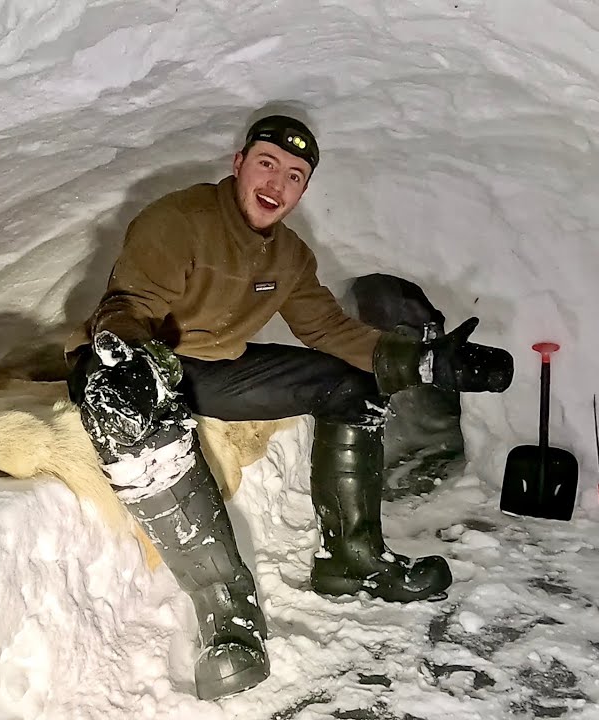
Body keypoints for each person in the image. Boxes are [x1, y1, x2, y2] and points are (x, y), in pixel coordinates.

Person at [64, 113, 514, 701]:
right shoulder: (177, 220)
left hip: (212, 370)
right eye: (267, 165)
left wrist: (426, 361)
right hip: (135, 362)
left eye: (295, 176)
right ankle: (229, 617)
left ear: (302, 191)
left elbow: (328, 328)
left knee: (351, 384)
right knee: (134, 409)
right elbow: (130, 302)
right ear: (239, 165)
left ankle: (351, 557)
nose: (277, 184)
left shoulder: (291, 257)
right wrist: (129, 356)